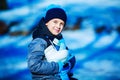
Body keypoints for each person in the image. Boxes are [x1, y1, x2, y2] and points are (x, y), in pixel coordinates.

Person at [27, 7, 76, 80]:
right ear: (47, 22)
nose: (58, 26)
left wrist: (69, 63)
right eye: (55, 22)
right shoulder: (39, 41)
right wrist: (58, 66)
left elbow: (69, 58)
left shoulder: (58, 39)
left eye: (61, 23)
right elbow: (34, 65)